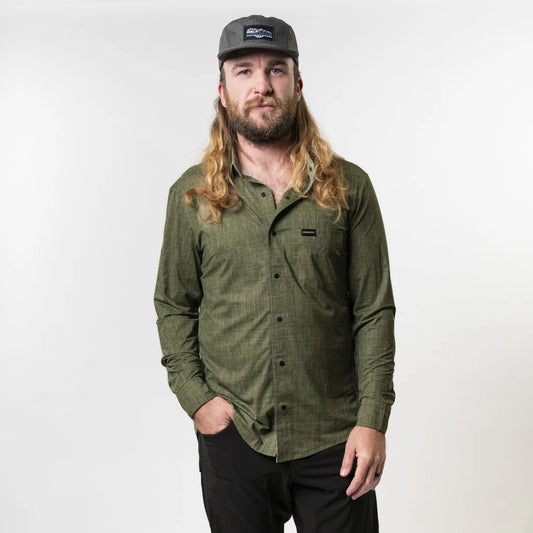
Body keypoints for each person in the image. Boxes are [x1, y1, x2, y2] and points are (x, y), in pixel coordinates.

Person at [154, 14, 396, 533]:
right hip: (235, 434)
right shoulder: (192, 196)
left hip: (335, 438)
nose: (261, 85)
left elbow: (373, 309)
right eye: (244, 71)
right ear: (223, 91)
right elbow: (174, 304)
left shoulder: (350, 187)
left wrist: (372, 419)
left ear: (297, 84)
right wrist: (198, 402)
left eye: (276, 70)